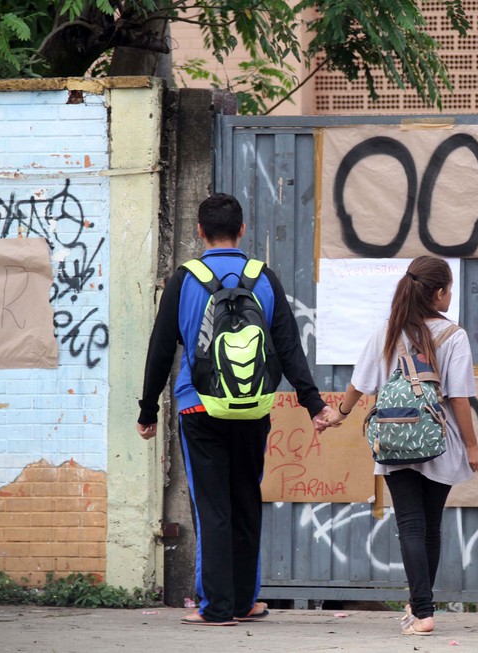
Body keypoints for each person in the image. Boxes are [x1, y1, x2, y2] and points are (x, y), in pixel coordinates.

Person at [136, 193, 335, 626]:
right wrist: (313, 403)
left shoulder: (185, 278)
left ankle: (217, 608)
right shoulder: (263, 276)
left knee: (212, 508)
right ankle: (245, 600)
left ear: (200, 231)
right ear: (242, 231)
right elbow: (287, 346)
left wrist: (148, 410)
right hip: (253, 409)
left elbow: (160, 350)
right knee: (246, 500)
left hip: (198, 409)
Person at [323, 256, 478, 636]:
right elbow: (458, 398)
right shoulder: (453, 336)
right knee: (430, 527)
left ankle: (421, 609)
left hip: (394, 439)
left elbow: (359, 383)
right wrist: (473, 446)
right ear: (440, 293)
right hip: (439, 442)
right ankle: (422, 606)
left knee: (410, 524)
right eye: (450, 290)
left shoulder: (388, 331)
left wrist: (340, 415)